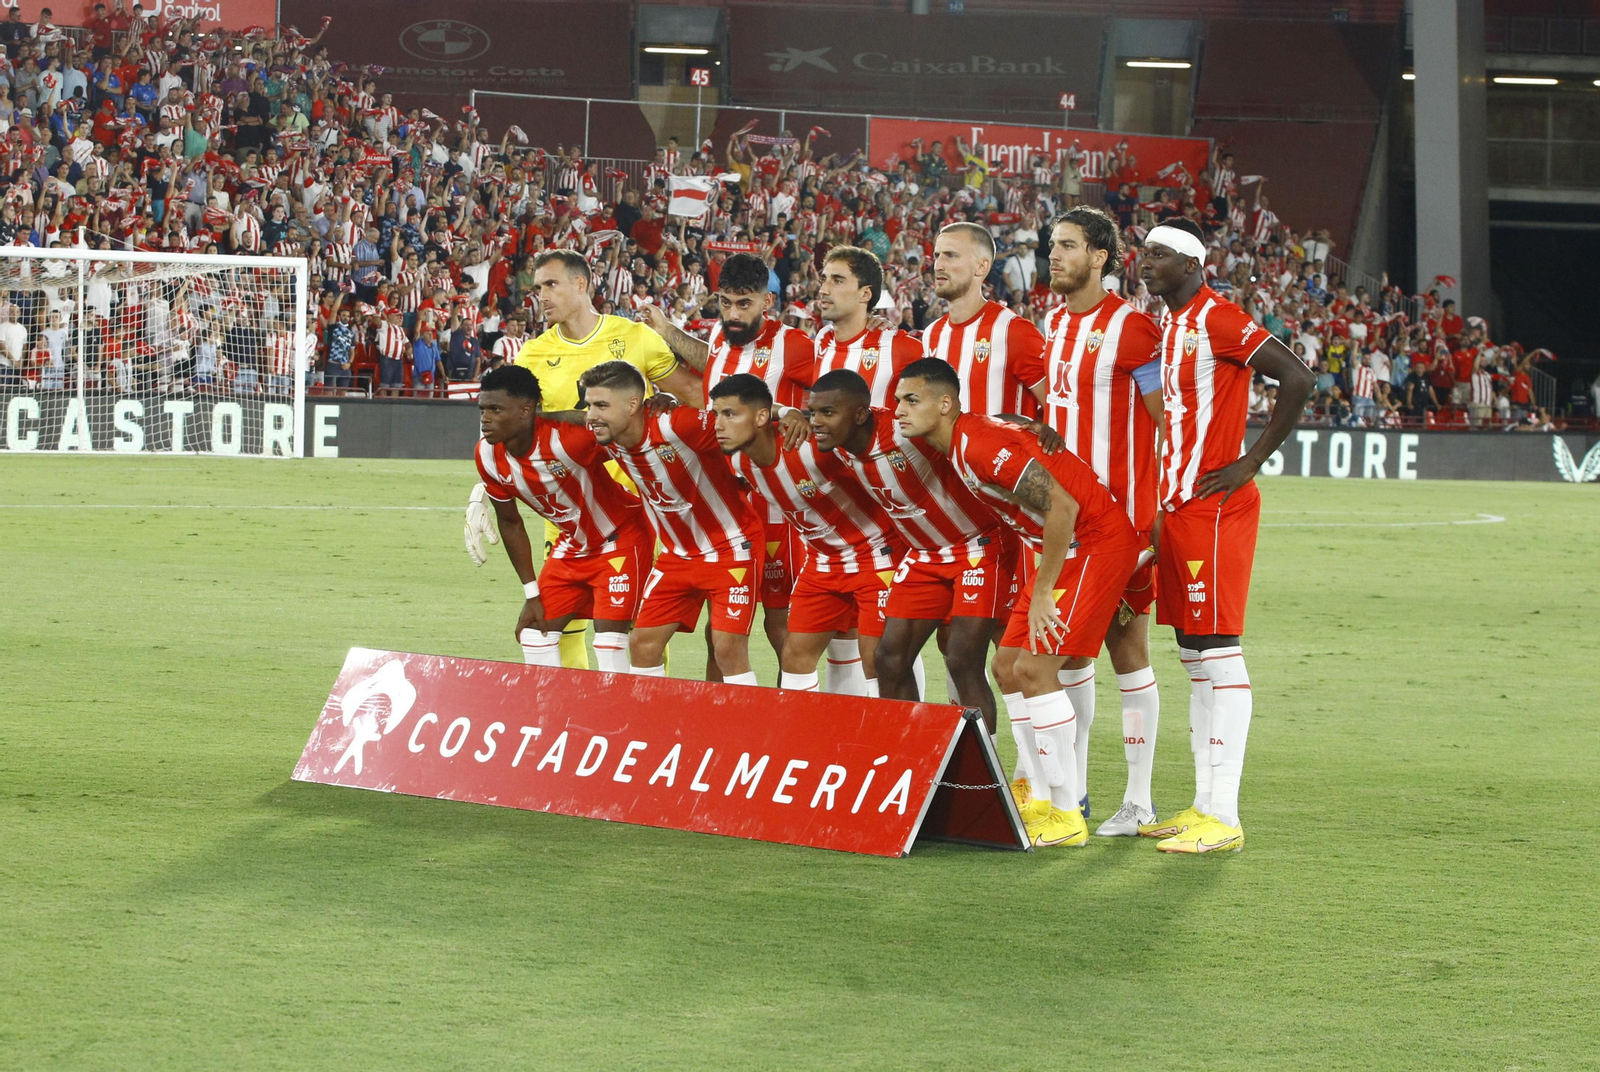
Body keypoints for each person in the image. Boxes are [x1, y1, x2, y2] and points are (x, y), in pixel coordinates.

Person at [895, 358, 1142, 848]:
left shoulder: (979, 445)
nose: (900, 410)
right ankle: (1038, 793)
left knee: (1033, 669)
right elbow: (1021, 429)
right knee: (1007, 665)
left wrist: (1044, 590)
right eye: (899, 399)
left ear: (945, 405)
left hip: (1092, 545)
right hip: (1060, 548)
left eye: (911, 400)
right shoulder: (969, 437)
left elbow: (1064, 507)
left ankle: (1067, 812)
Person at [1136, 218, 1314, 854]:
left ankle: (1226, 814)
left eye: (1159, 254)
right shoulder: (1173, 325)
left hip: (1216, 508)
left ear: (1191, 263)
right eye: (1144, 252)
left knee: (1217, 650)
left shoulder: (1217, 317)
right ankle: (1203, 803)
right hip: (1180, 507)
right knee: (1193, 656)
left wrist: (1250, 461)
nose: (1145, 261)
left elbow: (1297, 377)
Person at [506, 248, 706, 670]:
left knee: (634, 629)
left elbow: (695, 395)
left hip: (641, 507)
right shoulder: (532, 356)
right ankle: (576, 720)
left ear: (581, 284)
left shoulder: (634, 337)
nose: (540, 295)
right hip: (569, 511)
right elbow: (515, 431)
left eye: (550, 284)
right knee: (560, 626)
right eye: (537, 287)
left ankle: (639, 713)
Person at [1038, 206, 1166, 835]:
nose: (1054, 255)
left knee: (1125, 650)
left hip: (1123, 526)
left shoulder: (1134, 330)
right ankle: (1079, 792)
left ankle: (1137, 800)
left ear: (1100, 257)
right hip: (1066, 521)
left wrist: (1162, 509)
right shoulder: (1055, 323)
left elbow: (1167, 423)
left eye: (1068, 246)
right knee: (1072, 658)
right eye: (1051, 245)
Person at [640, 251, 816, 678]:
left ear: (766, 302)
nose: (733, 315)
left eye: (744, 304)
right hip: (724, 503)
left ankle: (787, 715)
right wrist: (665, 330)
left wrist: (804, 416)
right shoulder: (722, 339)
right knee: (718, 633)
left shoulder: (792, 344)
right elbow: (710, 363)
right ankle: (719, 720)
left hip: (777, 506)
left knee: (781, 625)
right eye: (725, 303)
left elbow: (836, 388)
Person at [810, 368, 1013, 733]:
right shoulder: (836, 444)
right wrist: (785, 413)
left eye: (827, 413)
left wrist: (1028, 426)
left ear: (858, 415)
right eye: (812, 413)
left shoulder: (908, 431)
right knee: (888, 660)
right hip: (923, 556)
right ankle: (908, 758)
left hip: (975, 547)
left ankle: (985, 780)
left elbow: (977, 427)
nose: (816, 423)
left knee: (963, 659)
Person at [710, 373, 904, 697]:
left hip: (876, 556)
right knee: (794, 656)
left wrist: (789, 412)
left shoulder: (812, 445)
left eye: (729, 415)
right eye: (717, 414)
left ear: (760, 417)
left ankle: (886, 743)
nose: (718, 424)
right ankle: (805, 740)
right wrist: (784, 409)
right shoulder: (739, 460)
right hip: (822, 563)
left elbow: (872, 445)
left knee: (878, 659)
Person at [577, 359, 764, 684]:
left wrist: (784, 413)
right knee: (643, 644)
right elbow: (568, 421)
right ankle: (650, 726)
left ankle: (743, 733)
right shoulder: (611, 434)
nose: (591, 415)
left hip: (732, 548)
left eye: (601, 405)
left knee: (727, 650)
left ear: (633, 404)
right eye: (589, 405)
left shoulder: (678, 425)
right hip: (677, 556)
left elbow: (738, 420)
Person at [467, 364, 651, 673]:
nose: (485, 418)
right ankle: (549, 716)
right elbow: (511, 522)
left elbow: (628, 431)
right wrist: (531, 593)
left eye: (496, 409)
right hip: (574, 546)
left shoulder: (569, 441)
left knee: (609, 642)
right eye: (482, 409)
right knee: (532, 632)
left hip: (622, 537)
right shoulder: (486, 455)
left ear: (526, 411)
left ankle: (618, 719)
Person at [811, 246, 921, 407]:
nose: (823, 290)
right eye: (824, 279)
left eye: (837, 281)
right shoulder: (823, 338)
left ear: (865, 294)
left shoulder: (897, 346)